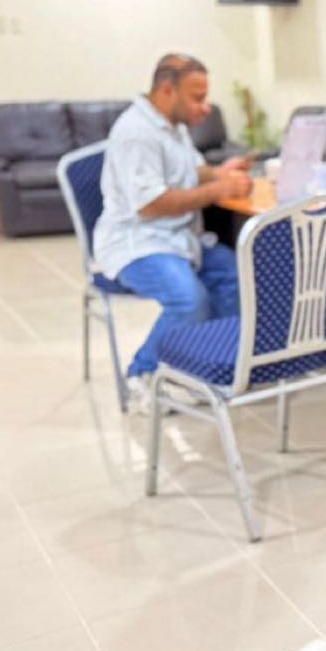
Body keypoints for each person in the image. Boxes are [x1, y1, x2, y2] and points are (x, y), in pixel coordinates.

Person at [92, 54, 252, 410]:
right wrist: (219, 189)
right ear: (167, 89)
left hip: (180, 238)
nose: (205, 107)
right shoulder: (136, 133)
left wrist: (221, 173)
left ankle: (210, 368)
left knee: (237, 276)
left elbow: (193, 170)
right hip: (139, 243)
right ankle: (143, 377)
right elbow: (151, 204)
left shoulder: (173, 125)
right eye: (197, 98)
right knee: (188, 299)